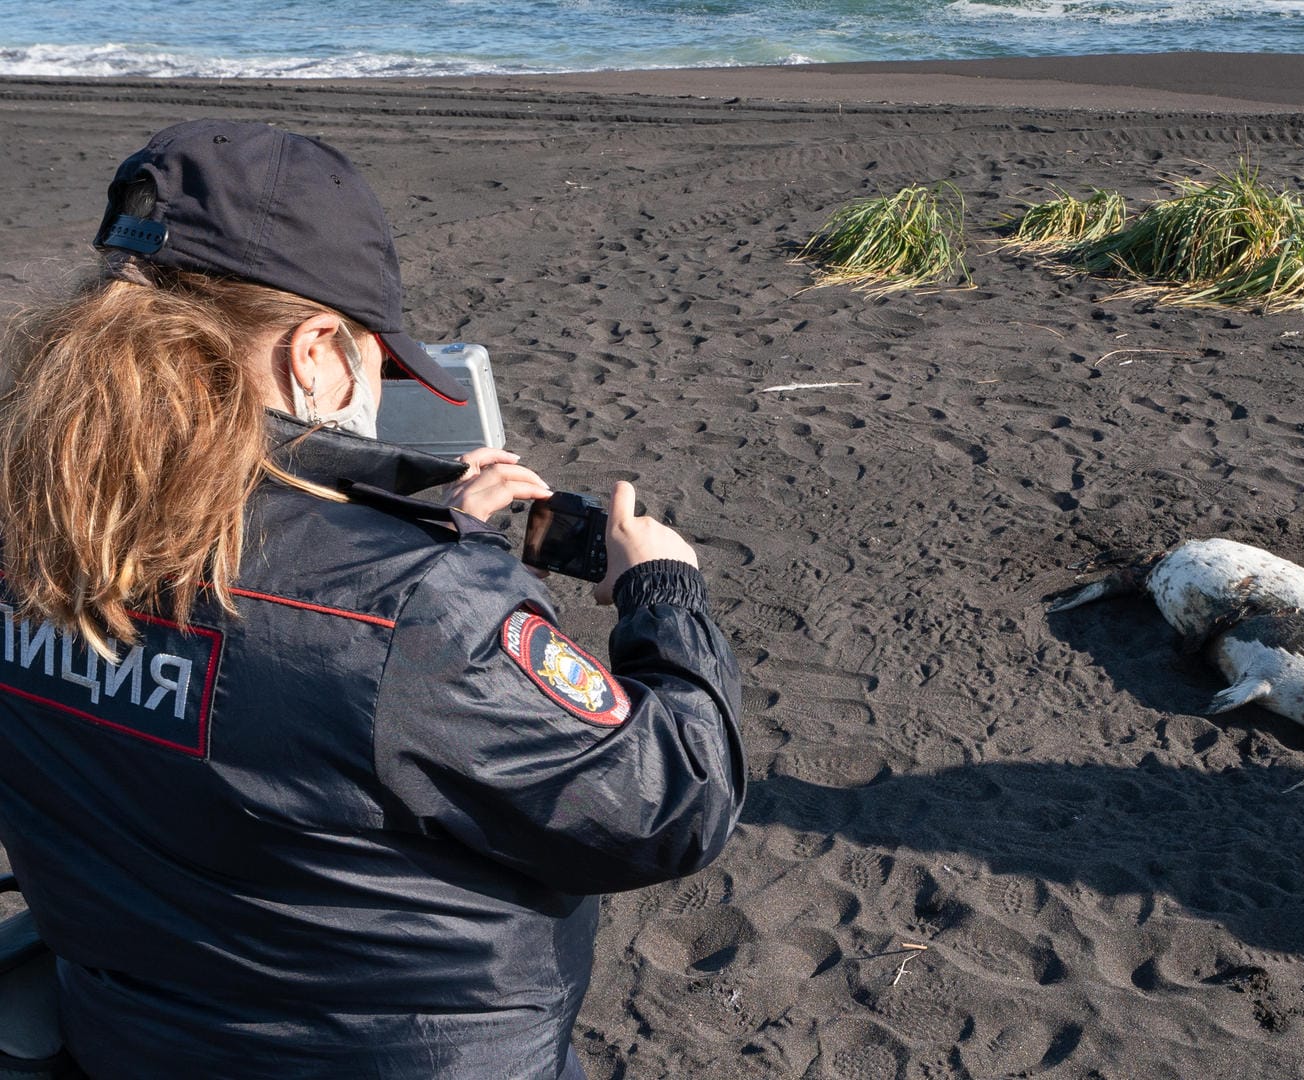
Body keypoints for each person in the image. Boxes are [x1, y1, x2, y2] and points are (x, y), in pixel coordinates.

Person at [0, 119, 746, 1079]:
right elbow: (668, 802)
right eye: (377, 360)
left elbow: (233, 630)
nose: (371, 386)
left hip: (133, 1037)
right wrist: (664, 592)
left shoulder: (34, 524)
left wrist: (435, 536)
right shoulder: (417, 608)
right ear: (315, 350)